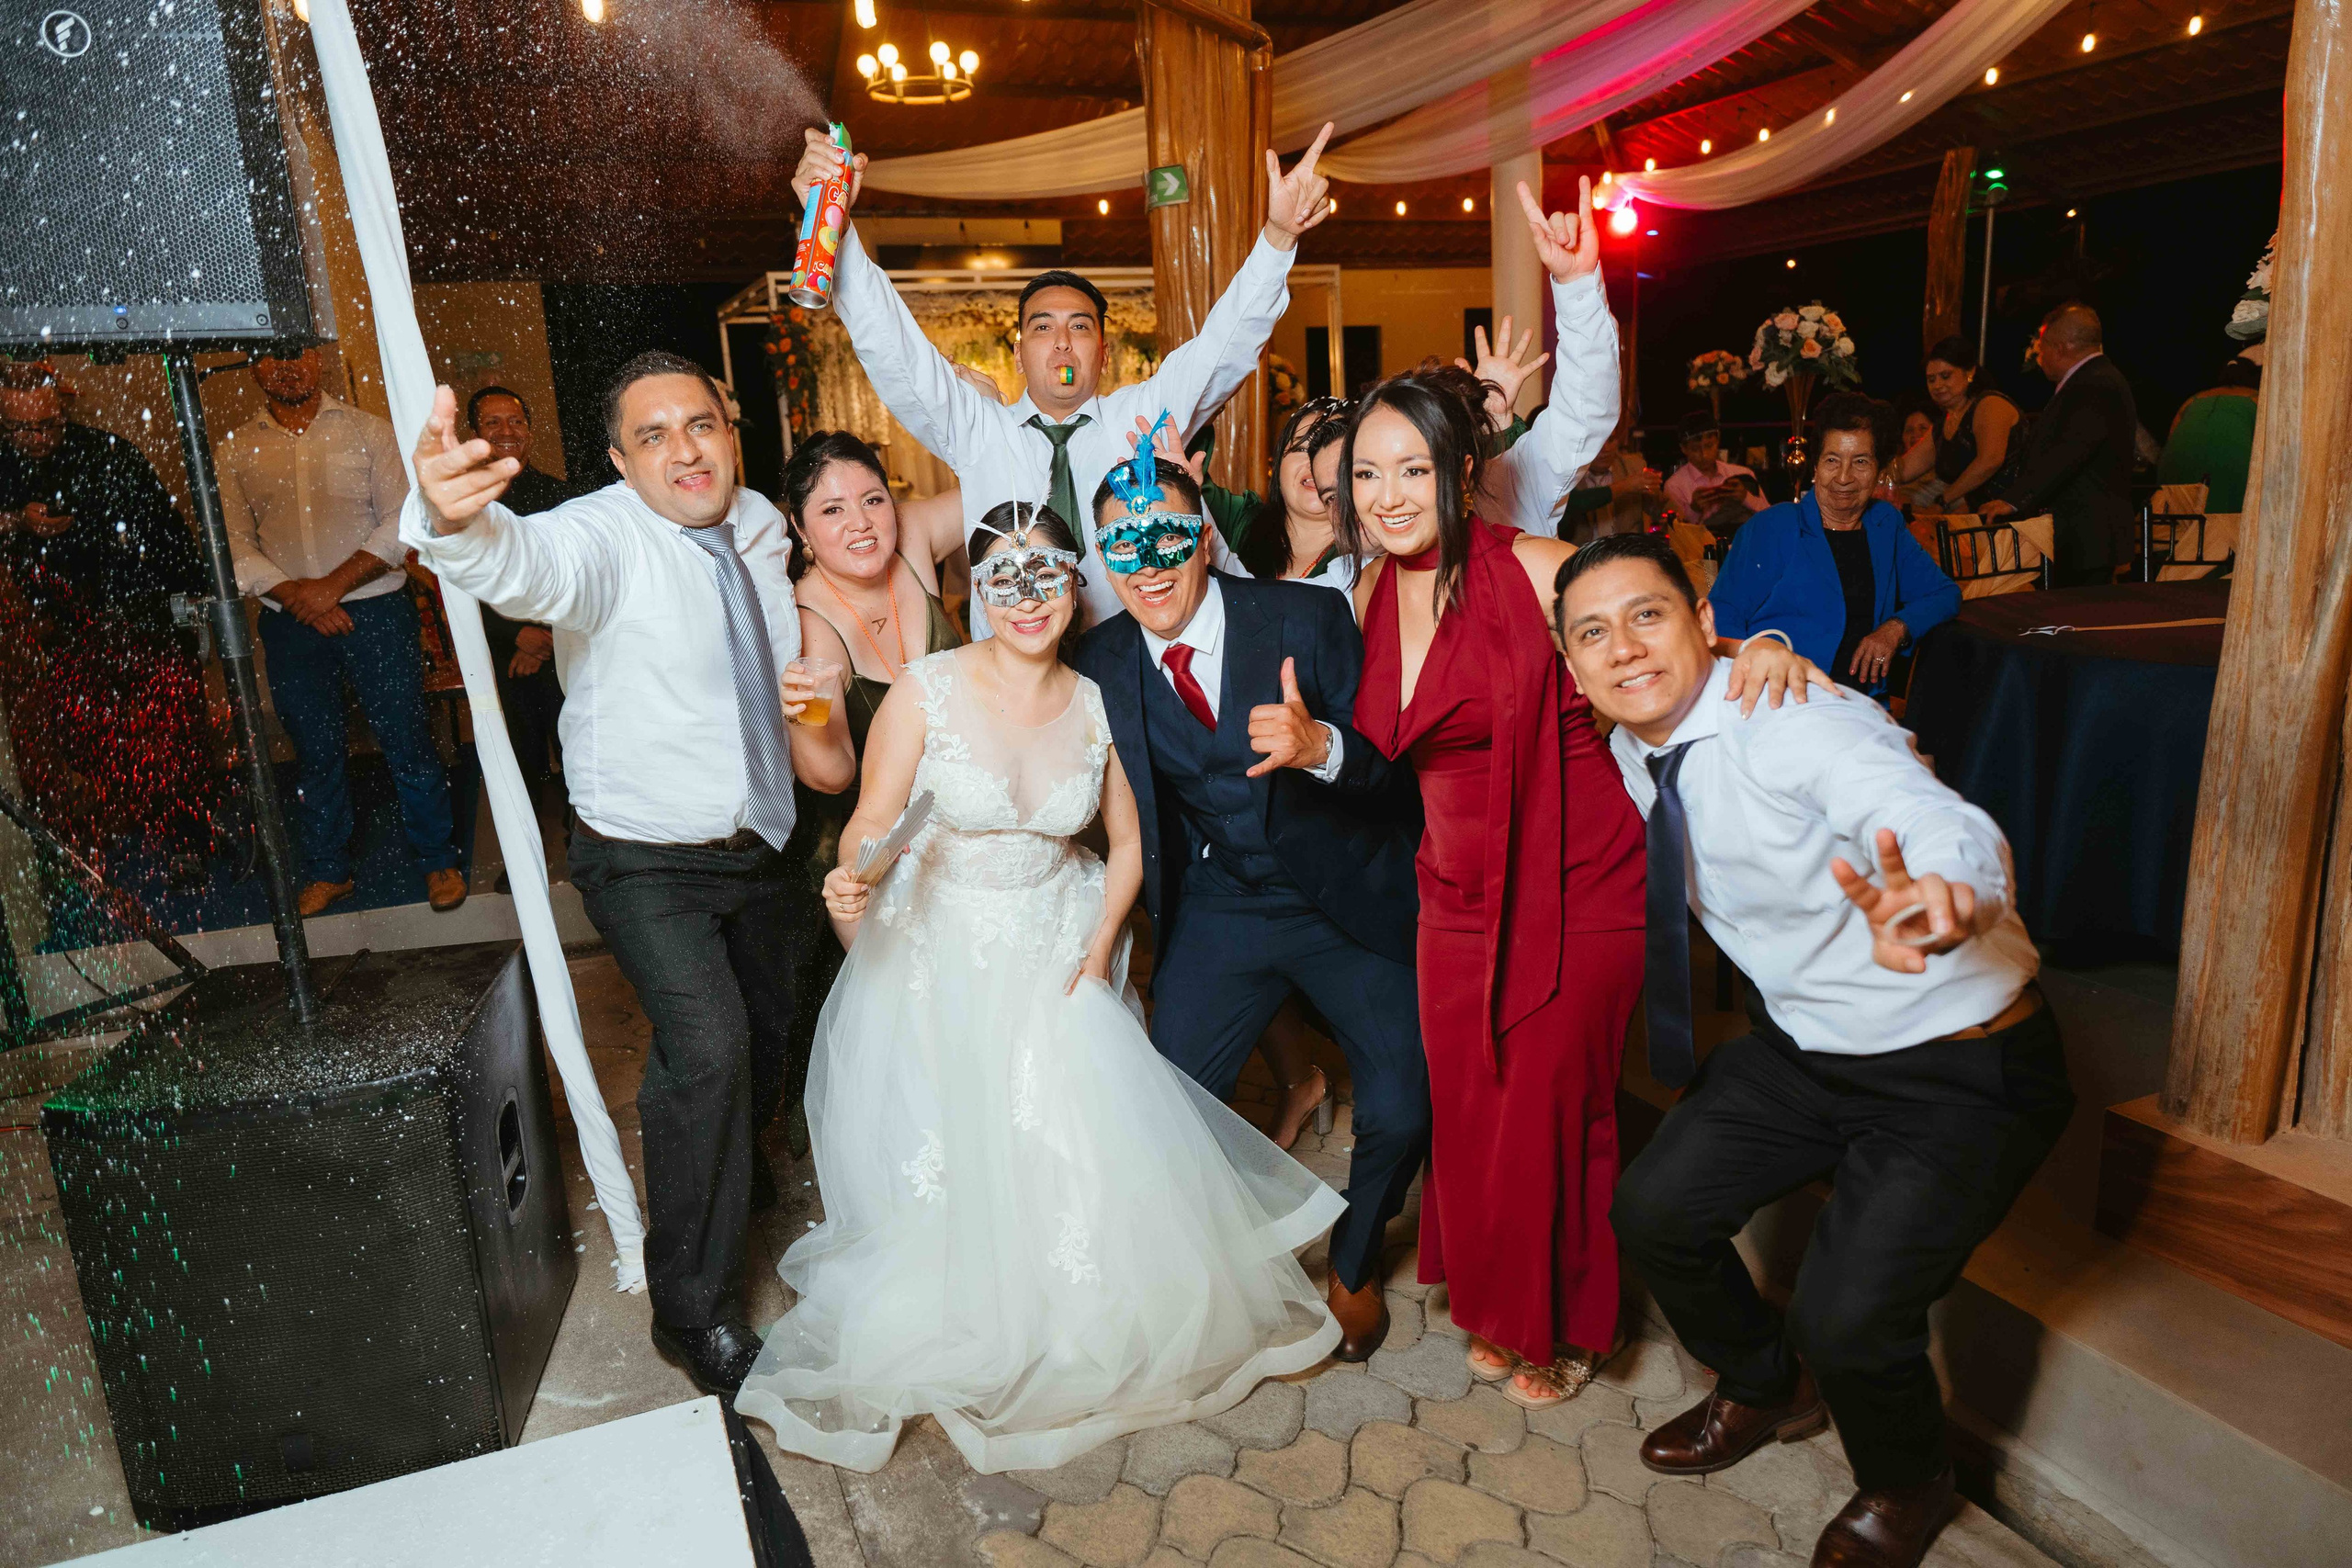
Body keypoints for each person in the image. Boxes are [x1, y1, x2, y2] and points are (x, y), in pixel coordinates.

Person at [1341, 176, 1834, 1411]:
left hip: (1577, 877)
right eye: (1368, 474)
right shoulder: (1360, 598)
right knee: (1476, 1103)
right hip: (1453, 894)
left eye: (1412, 466)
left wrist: (1750, 655)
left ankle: (1562, 1322)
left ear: (1463, 469)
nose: (1390, 491)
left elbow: (1646, 648)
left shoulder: (1541, 563)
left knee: (1557, 1105)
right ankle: (1499, 1296)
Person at [737, 502, 1344, 1473]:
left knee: (1078, 1135)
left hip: (1060, 934)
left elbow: (1132, 843)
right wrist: (855, 873)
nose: (1028, 597)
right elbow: (871, 821)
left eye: (1046, 573)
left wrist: (1102, 944)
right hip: (943, 939)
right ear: (974, 592)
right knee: (962, 1137)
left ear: (1074, 582)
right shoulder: (924, 691)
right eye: (1004, 577)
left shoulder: (1100, 698)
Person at [1554, 531, 2070, 1568]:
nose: (1623, 650)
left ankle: (1906, 1479)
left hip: (1956, 1061)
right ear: (1572, 666)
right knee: (1654, 1211)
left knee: (1846, 1319)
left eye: (1648, 616)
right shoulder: (1632, 739)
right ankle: (1762, 1384)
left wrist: (1946, 896)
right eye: (1592, 635)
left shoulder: (1794, 719)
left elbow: (1922, 812)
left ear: (1702, 623)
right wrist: (1764, 637)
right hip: (1807, 1047)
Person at [402, 351, 854, 1398]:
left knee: (769, 1038)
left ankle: (734, 1188)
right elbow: (528, 566)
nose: (683, 450)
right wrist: (458, 523)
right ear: (616, 459)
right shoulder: (603, 537)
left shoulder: (755, 523)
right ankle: (690, 1314)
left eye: (699, 425)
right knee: (709, 1047)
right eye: (651, 436)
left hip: (764, 839)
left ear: (731, 433)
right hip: (646, 858)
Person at [1068, 439, 1429, 1360]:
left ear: (1201, 538)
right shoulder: (1098, 657)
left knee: (1402, 1104)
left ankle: (1353, 1262)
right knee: (1166, 1100)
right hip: (1224, 901)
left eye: (1165, 537)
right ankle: (1205, 1266)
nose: (1147, 565)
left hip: (1343, 895)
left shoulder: (1306, 618)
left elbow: (1398, 779)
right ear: (1101, 559)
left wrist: (1325, 751)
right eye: (1121, 545)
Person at [797, 123, 1338, 629]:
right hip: (1018, 680)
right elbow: (898, 354)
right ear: (1017, 353)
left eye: (1080, 327)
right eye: (1042, 327)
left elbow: (1224, 348)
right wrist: (835, 231)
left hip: (1136, 666)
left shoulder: (1142, 419)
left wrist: (1277, 236)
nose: (1061, 341)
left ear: (1103, 353)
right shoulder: (980, 431)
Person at [215, 345, 468, 916]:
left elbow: (402, 523)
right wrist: (301, 598)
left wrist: (328, 588)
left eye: (297, 354)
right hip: (289, 625)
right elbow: (231, 543)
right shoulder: (234, 449)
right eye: (271, 357)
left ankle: (437, 860)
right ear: (255, 368)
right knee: (314, 750)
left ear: (319, 361)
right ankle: (329, 871)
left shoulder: (369, 432)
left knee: (407, 738)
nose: (286, 366)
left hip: (377, 613)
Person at [774, 430, 968, 1145]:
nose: (859, 522)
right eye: (830, 510)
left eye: (871, 499)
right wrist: (810, 709)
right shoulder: (809, 615)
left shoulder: (912, 539)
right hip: (872, 829)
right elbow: (830, 771)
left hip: (968, 803)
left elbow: (1002, 479)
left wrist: (970, 411)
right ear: (799, 527)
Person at [0, 364, 211, 885]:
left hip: (142, 622)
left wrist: (187, 615)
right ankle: (94, 859)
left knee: (170, 740)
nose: (37, 438)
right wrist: (14, 522)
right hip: (61, 633)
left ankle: (185, 844)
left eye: (49, 424)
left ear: (63, 410)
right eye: (23, 428)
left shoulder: (111, 454)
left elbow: (171, 539)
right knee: (86, 748)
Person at [1708, 395, 1959, 702]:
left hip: (1861, 704)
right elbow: (1723, 615)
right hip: (1784, 701)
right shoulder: (1774, 526)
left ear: (1880, 469)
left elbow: (1944, 594)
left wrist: (1894, 629)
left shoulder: (1884, 524)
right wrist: (1753, 678)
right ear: (1816, 465)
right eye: (1832, 460)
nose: (1844, 477)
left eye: (1861, 462)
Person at [466, 385, 581, 792]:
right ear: (474, 434)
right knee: (515, 769)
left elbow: (576, 574)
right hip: (496, 653)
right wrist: (517, 634)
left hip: (562, 648)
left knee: (579, 762)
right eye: (492, 422)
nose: (506, 430)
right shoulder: (465, 505)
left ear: (530, 431)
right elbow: (462, 587)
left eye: (516, 421)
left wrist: (544, 636)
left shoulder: (561, 497)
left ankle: (580, 846)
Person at [1981, 303, 2137, 586]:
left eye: (2042, 349)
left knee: (2077, 621)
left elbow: (2069, 453)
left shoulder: (2096, 384)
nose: (2040, 358)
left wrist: (2013, 500)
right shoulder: (2094, 379)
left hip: (2087, 535)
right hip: (2080, 535)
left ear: (2061, 348)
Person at [1888, 336, 2023, 517]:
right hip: (1980, 518)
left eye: (1945, 376)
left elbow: (1990, 460)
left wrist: (1942, 501)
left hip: (2015, 516)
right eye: (1931, 379)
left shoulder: (1990, 404)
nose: (1937, 386)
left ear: (1970, 372)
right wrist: (1864, 468)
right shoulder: (1944, 423)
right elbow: (1903, 470)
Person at [2158, 355, 2259, 512]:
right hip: (2233, 474)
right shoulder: (2258, 399)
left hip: (2176, 475)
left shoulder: (2193, 400)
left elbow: (2171, 437)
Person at [1662, 410, 1766, 536]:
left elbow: (1769, 515)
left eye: (1709, 446)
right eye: (1695, 449)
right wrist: (1694, 509)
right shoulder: (1675, 485)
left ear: (1717, 441)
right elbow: (1676, 533)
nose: (1704, 455)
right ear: (1684, 449)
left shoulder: (1742, 473)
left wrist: (1745, 497)